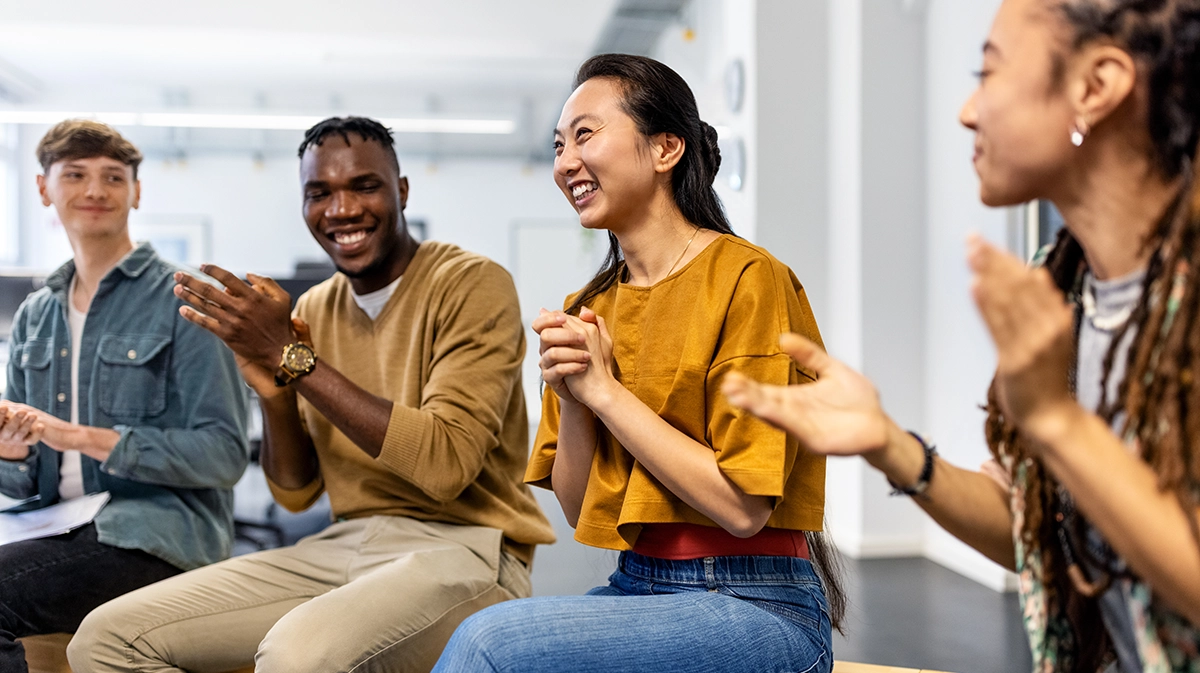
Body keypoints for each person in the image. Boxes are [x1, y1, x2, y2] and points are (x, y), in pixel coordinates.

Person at [723, 0, 1200, 670]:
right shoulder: (1060, 289)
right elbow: (1037, 537)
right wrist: (893, 447)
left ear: (1095, 87)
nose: (967, 111)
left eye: (989, 72)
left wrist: (1057, 421)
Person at [69, 116, 554, 673]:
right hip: (344, 545)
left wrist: (294, 360)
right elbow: (295, 495)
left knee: (296, 655)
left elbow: (445, 464)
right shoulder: (313, 309)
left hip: (467, 549)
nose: (341, 210)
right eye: (319, 193)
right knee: (105, 638)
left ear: (400, 191)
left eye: (363, 187)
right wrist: (274, 392)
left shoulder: (470, 283)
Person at [432, 54, 843, 673]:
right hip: (640, 585)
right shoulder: (590, 308)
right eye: (557, 145)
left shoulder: (749, 280)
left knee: (491, 643)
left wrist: (604, 394)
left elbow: (742, 508)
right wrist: (573, 401)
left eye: (586, 135)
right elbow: (577, 510)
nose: (565, 162)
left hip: (757, 601)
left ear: (665, 148)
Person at [0, 120, 249, 673]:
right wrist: (12, 453)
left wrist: (83, 438)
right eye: (75, 175)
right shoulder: (35, 316)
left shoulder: (186, 300)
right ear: (44, 189)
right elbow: (18, 480)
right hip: (51, 527)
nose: (94, 191)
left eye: (113, 177)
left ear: (136, 192)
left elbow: (226, 454)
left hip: (152, 536)